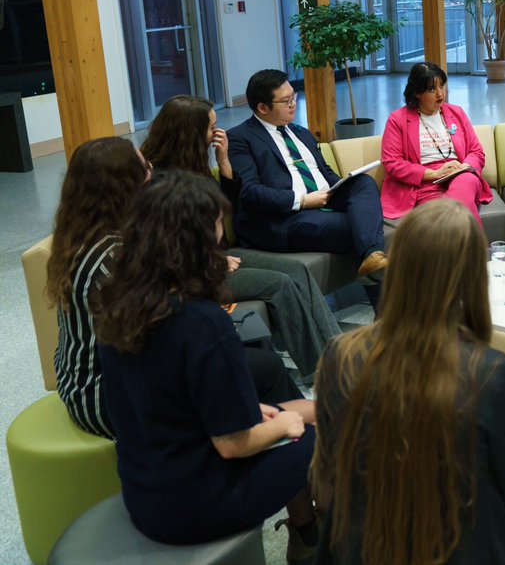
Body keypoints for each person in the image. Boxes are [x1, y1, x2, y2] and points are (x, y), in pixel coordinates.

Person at [92, 171, 318, 559]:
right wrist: (286, 425)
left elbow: (164, 401)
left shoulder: (118, 306)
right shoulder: (202, 322)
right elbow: (232, 444)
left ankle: (309, 535)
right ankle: (314, 536)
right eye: (217, 224)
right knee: (312, 433)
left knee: (289, 407)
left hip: (144, 495)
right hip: (197, 507)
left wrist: (254, 412)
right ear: (197, 240)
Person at [312, 200, 505, 564]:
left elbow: (326, 481)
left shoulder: (338, 357)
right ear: (473, 277)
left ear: (398, 264)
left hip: (360, 547)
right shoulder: (494, 374)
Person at [142, 94, 342, 380]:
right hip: (192, 270)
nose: (218, 132)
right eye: (212, 127)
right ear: (191, 132)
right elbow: (168, 245)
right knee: (279, 283)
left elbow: (227, 210)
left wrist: (224, 163)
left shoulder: (193, 165)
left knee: (297, 269)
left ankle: (336, 353)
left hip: (218, 254)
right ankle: (318, 369)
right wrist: (212, 262)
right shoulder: (160, 182)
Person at [227, 69, 388, 277]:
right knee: (362, 226)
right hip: (287, 216)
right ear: (262, 108)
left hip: (326, 198)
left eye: (293, 97)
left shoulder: (301, 132)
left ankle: (373, 258)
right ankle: (375, 264)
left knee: (363, 183)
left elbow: (325, 171)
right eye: (285, 101)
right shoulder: (240, 138)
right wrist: (303, 201)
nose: (293, 104)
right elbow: (251, 192)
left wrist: (342, 186)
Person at [45, 137, 149, 439]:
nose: (152, 174)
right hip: (101, 398)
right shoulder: (112, 259)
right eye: (145, 168)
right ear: (126, 186)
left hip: (77, 380)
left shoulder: (83, 233)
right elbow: (145, 340)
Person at [379, 61, 493, 225]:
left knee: (465, 182)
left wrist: (463, 167)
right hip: (425, 183)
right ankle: (474, 242)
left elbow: (476, 152)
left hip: (460, 174)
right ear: (417, 93)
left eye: (442, 86)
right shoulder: (397, 120)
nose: (440, 94)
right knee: (445, 216)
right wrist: (435, 174)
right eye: (432, 89)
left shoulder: (456, 112)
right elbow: (392, 163)